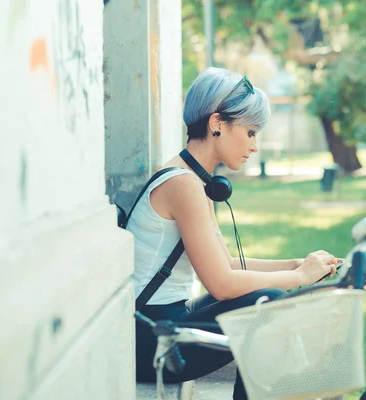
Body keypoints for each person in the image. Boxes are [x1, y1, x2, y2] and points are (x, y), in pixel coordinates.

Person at [130, 67, 341, 400]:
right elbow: (222, 284)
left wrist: (294, 264)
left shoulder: (194, 178)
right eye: (251, 132)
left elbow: (227, 264)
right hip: (154, 341)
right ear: (217, 124)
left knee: (263, 300)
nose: (254, 146)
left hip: (164, 322)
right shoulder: (183, 184)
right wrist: (299, 276)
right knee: (267, 305)